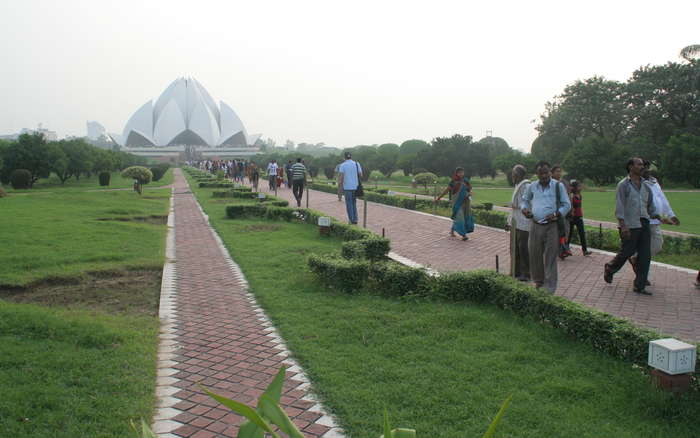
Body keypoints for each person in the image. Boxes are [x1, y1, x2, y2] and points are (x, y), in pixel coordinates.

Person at [603, 157, 660, 295]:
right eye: (639, 164)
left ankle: (639, 286)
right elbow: (620, 206)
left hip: (644, 223)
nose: (642, 167)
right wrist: (623, 226)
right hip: (630, 224)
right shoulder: (623, 185)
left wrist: (656, 215)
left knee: (645, 255)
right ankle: (610, 268)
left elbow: (650, 205)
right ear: (630, 167)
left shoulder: (646, 185)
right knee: (626, 252)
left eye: (643, 165)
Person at [521, 161, 571, 293]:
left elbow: (567, 205)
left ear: (550, 172)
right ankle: (539, 281)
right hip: (535, 225)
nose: (544, 175)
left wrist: (556, 214)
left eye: (546, 172)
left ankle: (549, 288)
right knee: (534, 255)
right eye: (541, 173)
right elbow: (525, 200)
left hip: (552, 226)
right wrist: (525, 209)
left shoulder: (557, 186)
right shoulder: (532, 186)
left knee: (550, 257)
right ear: (537, 174)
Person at [629, 166, 681, 284]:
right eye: (642, 169)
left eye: (646, 167)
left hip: (655, 221)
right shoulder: (637, 183)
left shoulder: (654, 182)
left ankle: (636, 258)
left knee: (657, 245)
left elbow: (663, 200)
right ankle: (641, 278)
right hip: (643, 220)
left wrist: (671, 215)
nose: (645, 170)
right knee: (645, 250)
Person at [436, 167, 473, 241]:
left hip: (465, 202)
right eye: (460, 172)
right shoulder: (453, 181)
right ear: (456, 173)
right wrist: (439, 197)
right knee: (460, 217)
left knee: (462, 217)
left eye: (462, 172)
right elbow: (447, 190)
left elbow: (470, 190)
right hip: (456, 202)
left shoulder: (466, 181)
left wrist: (469, 194)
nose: (461, 174)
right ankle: (463, 235)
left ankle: (452, 231)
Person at [507, 164, 530, 281]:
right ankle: (515, 271)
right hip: (516, 220)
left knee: (523, 248)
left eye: (513, 173)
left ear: (518, 175)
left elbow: (525, 203)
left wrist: (517, 206)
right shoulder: (518, 185)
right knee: (514, 247)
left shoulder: (525, 186)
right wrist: (509, 220)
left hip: (524, 221)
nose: (512, 175)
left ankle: (526, 273)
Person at [551, 165, 573, 259]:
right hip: (555, 211)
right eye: (557, 171)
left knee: (565, 231)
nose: (559, 173)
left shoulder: (564, 183)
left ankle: (562, 249)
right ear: (552, 173)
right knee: (556, 232)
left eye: (560, 171)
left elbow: (568, 197)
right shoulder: (550, 183)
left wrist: (570, 210)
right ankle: (559, 250)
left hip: (564, 211)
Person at [337, 152, 363, 224]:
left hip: (347, 187)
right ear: (351, 157)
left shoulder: (343, 165)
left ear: (344, 157)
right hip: (355, 187)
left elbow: (341, 177)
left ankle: (351, 219)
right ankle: (355, 219)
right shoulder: (357, 164)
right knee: (354, 203)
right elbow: (361, 175)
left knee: (349, 204)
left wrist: (340, 187)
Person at [568, 180, 592, 256]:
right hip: (572, 217)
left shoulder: (579, 195)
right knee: (569, 234)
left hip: (579, 217)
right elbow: (570, 206)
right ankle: (565, 249)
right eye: (579, 186)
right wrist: (571, 213)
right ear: (574, 188)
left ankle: (585, 251)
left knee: (582, 234)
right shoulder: (571, 196)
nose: (580, 187)